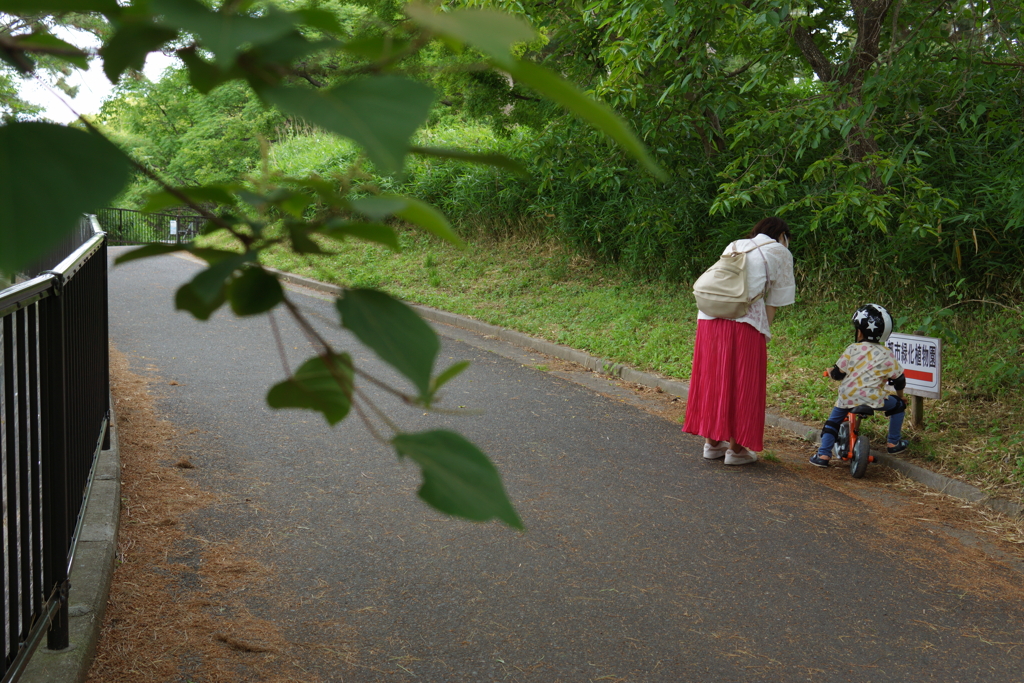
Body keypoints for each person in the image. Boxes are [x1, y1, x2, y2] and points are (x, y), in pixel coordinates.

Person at [683, 216, 796, 466]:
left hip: (709, 317)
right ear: (783, 236)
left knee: (714, 378)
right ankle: (737, 450)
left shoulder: (735, 244)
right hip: (745, 321)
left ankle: (712, 444)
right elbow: (775, 300)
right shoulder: (780, 251)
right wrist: (763, 331)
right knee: (744, 381)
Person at [809, 303, 910, 467]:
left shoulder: (852, 349)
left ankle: (823, 455)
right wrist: (901, 397)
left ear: (860, 331)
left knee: (832, 423)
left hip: (848, 397)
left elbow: (838, 373)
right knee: (898, 406)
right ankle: (893, 443)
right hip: (874, 398)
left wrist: (831, 372)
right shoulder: (887, 354)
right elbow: (899, 379)